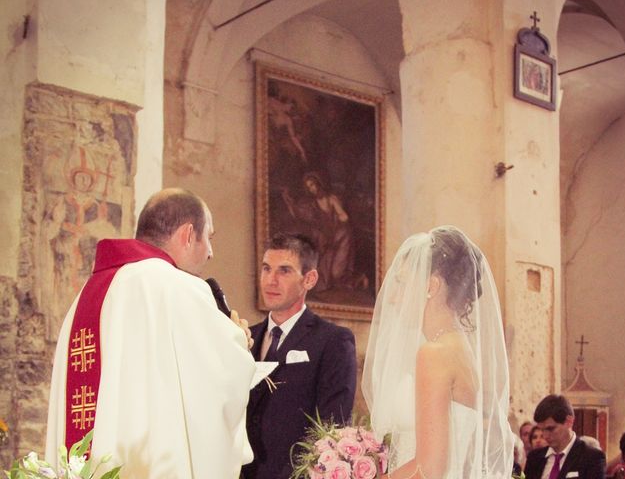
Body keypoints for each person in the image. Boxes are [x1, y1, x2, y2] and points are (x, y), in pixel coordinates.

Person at [46, 188, 256, 478]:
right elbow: (221, 378)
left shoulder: (88, 294)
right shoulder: (176, 287)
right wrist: (239, 342)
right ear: (187, 234)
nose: (210, 252)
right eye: (209, 237)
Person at [362, 226, 514, 478]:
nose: (392, 298)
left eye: (401, 283)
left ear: (431, 285)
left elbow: (429, 469)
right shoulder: (459, 349)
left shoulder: (434, 354)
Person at [243, 233, 357, 479]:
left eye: (284, 271)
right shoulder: (242, 338)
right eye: (266, 269)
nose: (270, 281)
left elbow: (332, 427)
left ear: (310, 279)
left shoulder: (333, 341)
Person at [524, 394, 605, 479]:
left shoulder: (591, 458)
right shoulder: (534, 458)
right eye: (542, 429)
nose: (545, 435)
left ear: (569, 421)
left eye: (550, 429)